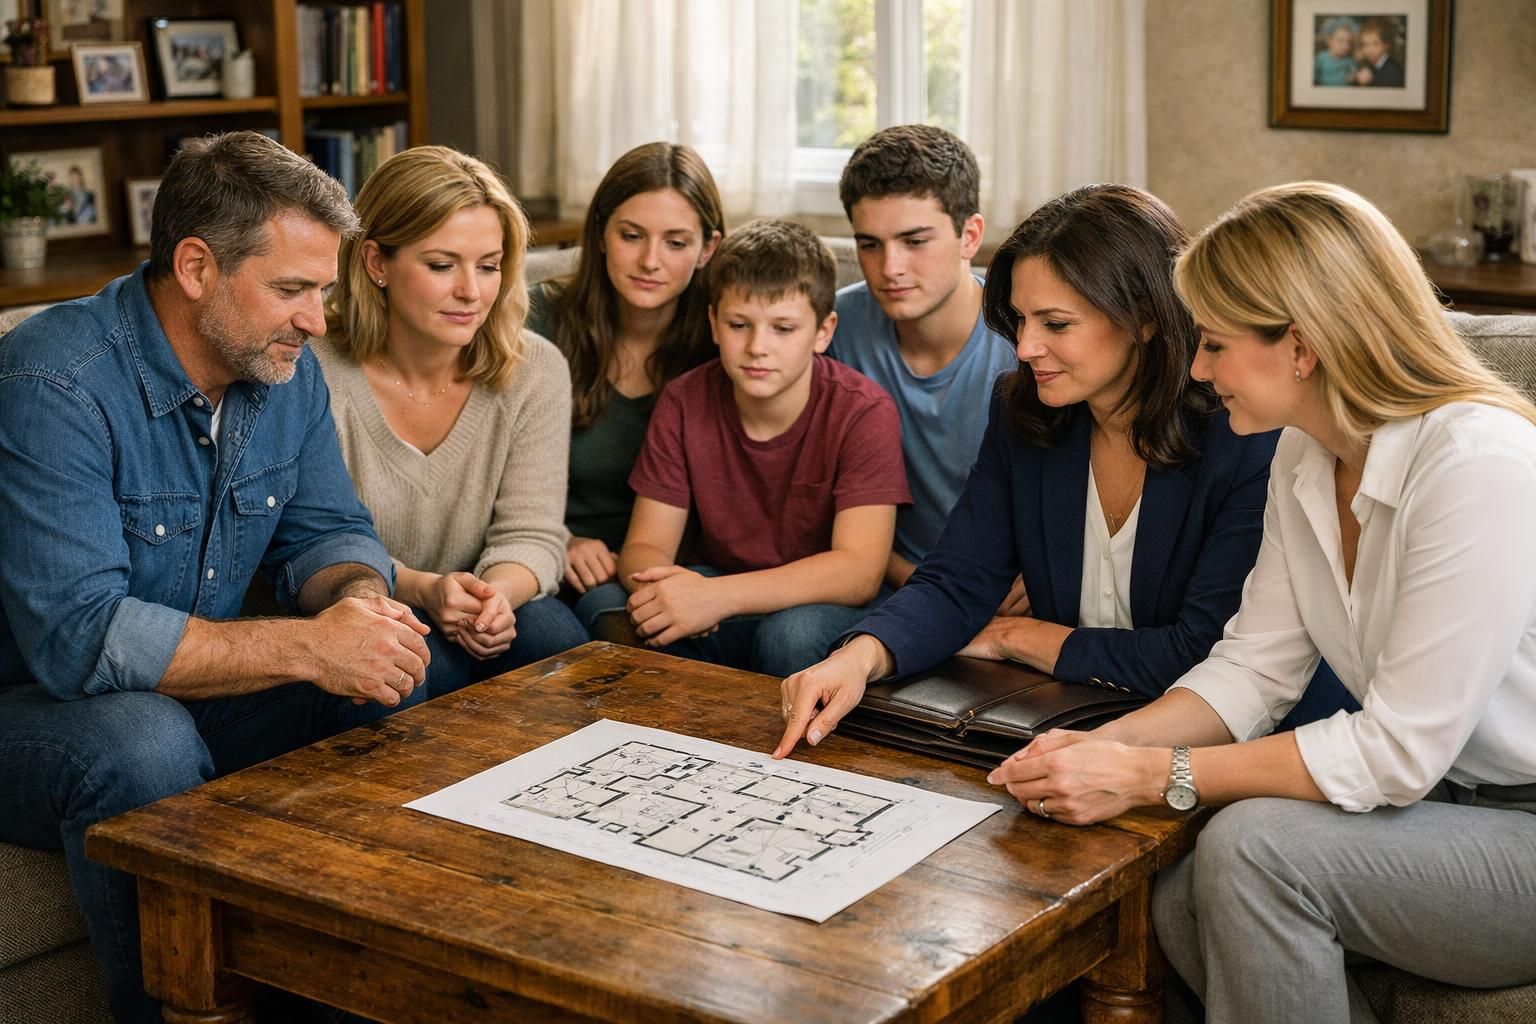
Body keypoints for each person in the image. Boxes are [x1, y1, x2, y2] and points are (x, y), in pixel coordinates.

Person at [985, 182, 1536, 1021]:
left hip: (1515, 822)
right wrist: (1082, 750)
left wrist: (1148, 773)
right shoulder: (1303, 457)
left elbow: (1394, 752)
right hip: (1445, 806)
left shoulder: (1476, 464)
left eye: (1212, 345)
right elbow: (1251, 668)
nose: (1197, 371)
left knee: (1251, 849)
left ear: (1302, 347)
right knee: (1179, 903)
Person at [0, 131, 430, 1024]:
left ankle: (364, 996)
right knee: (143, 742)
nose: (317, 320)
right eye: (292, 290)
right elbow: (82, 638)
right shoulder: (53, 382)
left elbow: (330, 532)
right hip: (35, 707)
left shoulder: (283, 370)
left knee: (412, 675)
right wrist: (310, 647)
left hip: (196, 688)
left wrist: (360, 609)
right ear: (195, 266)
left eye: (324, 290)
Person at [775, 183, 1283, 756]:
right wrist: (858, 657)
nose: (1024, 347)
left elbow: (1201, 653)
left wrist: (1021, 637)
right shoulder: (1024, 410)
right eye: (1019, 319)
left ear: (1143, 317)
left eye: (1056, 324)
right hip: (1056, 708)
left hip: (1196, 730)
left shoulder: (1240, 432)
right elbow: (957, 575)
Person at [578, 219, 911, 677]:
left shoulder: (863, 410)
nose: (758, 347)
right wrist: (674, 592)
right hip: (717, 585)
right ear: (714, 323)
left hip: (819, 600)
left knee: (789, 636)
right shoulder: (684, 400)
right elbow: (645, 545)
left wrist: (714, 598)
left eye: (783, 328)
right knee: (608, 608)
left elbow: (858, 572)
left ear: (823, 331)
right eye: (740, 324)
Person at [318, 146, 588, 695]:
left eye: (489, 266)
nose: (471, 291)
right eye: (442, 266)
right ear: (376, 264)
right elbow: (307, 542)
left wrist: (492, 598)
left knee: (551, 633)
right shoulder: (313, 368)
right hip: (359, 609)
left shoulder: (535, 369)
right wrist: (423, 590)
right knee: (416, 666)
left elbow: (533, 533)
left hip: (474, 599)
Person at [527, 142, 724, 601]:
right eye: (632, 236)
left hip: (677, 573)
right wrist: (560, 540)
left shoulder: (728, 339)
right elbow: (482, 472)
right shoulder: (536, 320)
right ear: (599, 232)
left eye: (676, 242)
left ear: (707, 248)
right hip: (550, 562)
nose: (650, 261)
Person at [830, 125, 1018, 589]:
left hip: (1006, 590)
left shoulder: (1027, 337)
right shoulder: (834, 326)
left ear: (969, 236)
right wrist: (918, 584)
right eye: (869, 244)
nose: (889, 268)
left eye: (915, 241)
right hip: (889, 579)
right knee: (792, 637)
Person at [1354, 18, 1405, 87]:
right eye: (1365, 45)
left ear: (1386, 45)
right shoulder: (1366, 65)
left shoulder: (1394, 69)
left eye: (1375, 44)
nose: (1370, 50)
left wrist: (1371, 80)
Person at [1313, 18, 1358, 87]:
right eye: (1341, 41)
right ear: (1329, 40)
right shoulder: (1321, 57)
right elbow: (1314, 75)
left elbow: (1355, 73)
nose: (1346, 46)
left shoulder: (1349, 60)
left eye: (1348, 42)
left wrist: (1353, 77)